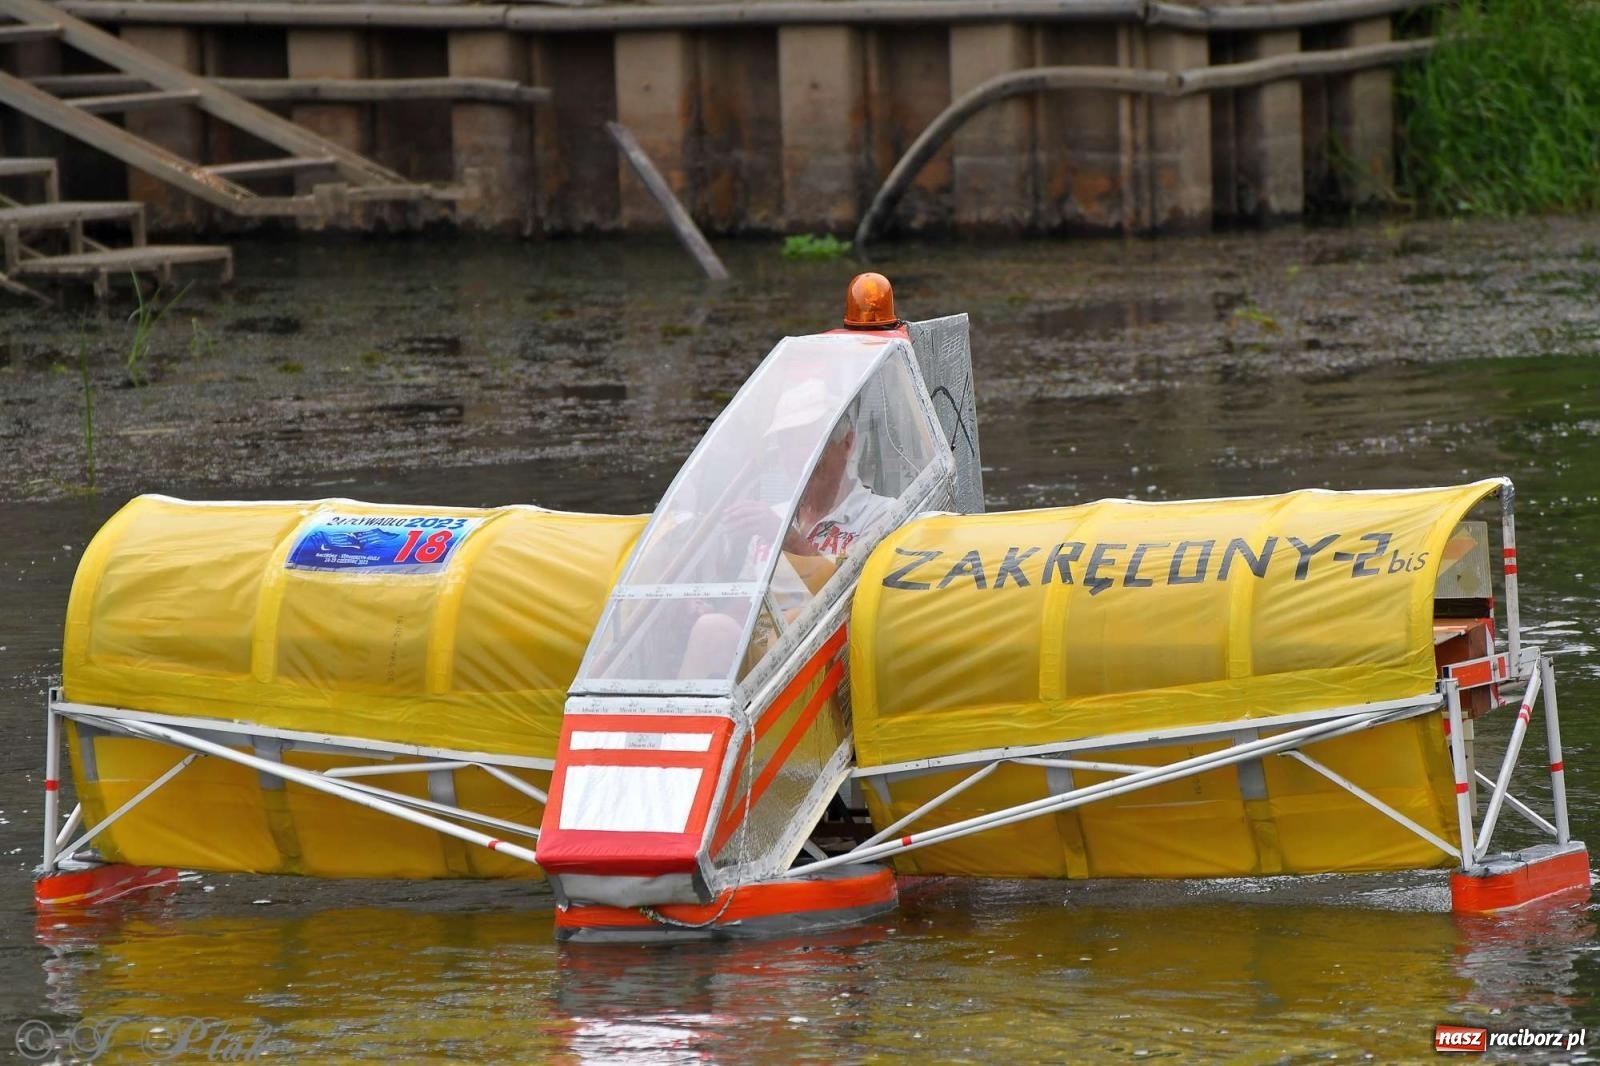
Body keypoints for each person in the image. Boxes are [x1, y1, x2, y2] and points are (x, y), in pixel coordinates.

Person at [677, 390, 894, 680]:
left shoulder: (880, 516)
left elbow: (850, 601)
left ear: (847, 442)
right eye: (788, 444)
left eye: (810, 440)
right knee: (710, 628)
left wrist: (787, 539)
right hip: (762, 667)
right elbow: (746, 604)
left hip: (828, 662)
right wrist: (710, 610)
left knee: (792, 620)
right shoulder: (771, 515)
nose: (801, 457)